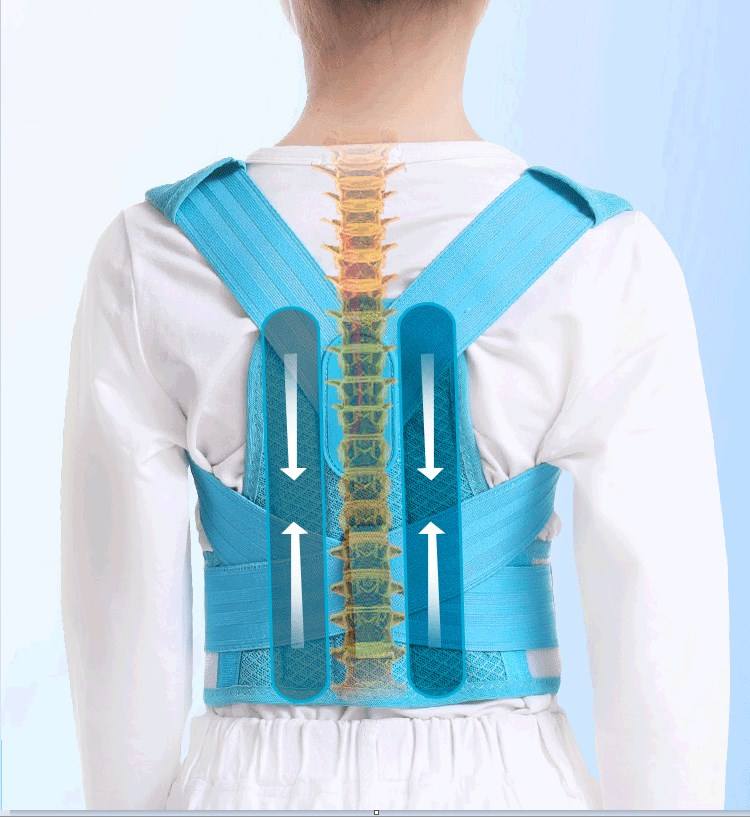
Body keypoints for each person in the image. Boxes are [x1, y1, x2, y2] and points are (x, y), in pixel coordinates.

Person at [60, 0, 729, 810]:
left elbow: (121, 638)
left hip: (246, 787)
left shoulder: (151, 253)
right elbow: (664, 649)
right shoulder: (605, 258)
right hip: (507, 786)